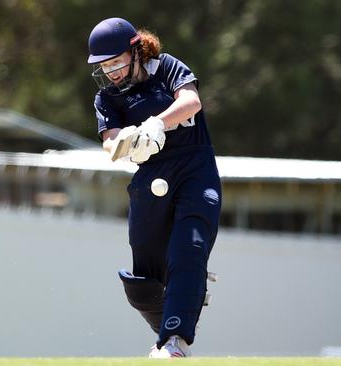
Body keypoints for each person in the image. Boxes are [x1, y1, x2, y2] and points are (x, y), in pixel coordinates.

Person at [87, 17, 222, 358]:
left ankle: (174, 340)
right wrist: (131, 143)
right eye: (105, 67)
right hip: (150, 177)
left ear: (135, 51)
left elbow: (191, 102)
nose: (112, 72)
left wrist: (157, 123)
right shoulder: (108, 97)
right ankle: (177, 311)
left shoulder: (166, 67)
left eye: (116, 62)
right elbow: (110, 142)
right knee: (142, 282)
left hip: (196, 170)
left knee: (187, 249)